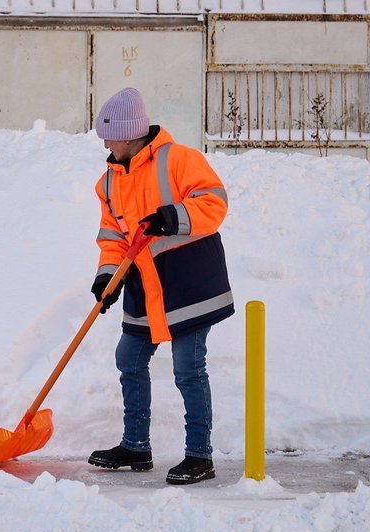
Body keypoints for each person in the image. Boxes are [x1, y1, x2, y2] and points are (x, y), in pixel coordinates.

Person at [87, 87, 234, 485]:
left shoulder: (179, 159)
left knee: (188, 368)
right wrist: (107, 275)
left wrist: (172, 216)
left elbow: (214, 202)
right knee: (129, 359)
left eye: (109, 135)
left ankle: (199, 456)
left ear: (130, 133)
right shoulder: (109, 182)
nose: (105, 143)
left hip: (188, 282)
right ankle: (135, 446)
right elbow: (112, 237)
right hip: (143, 284)